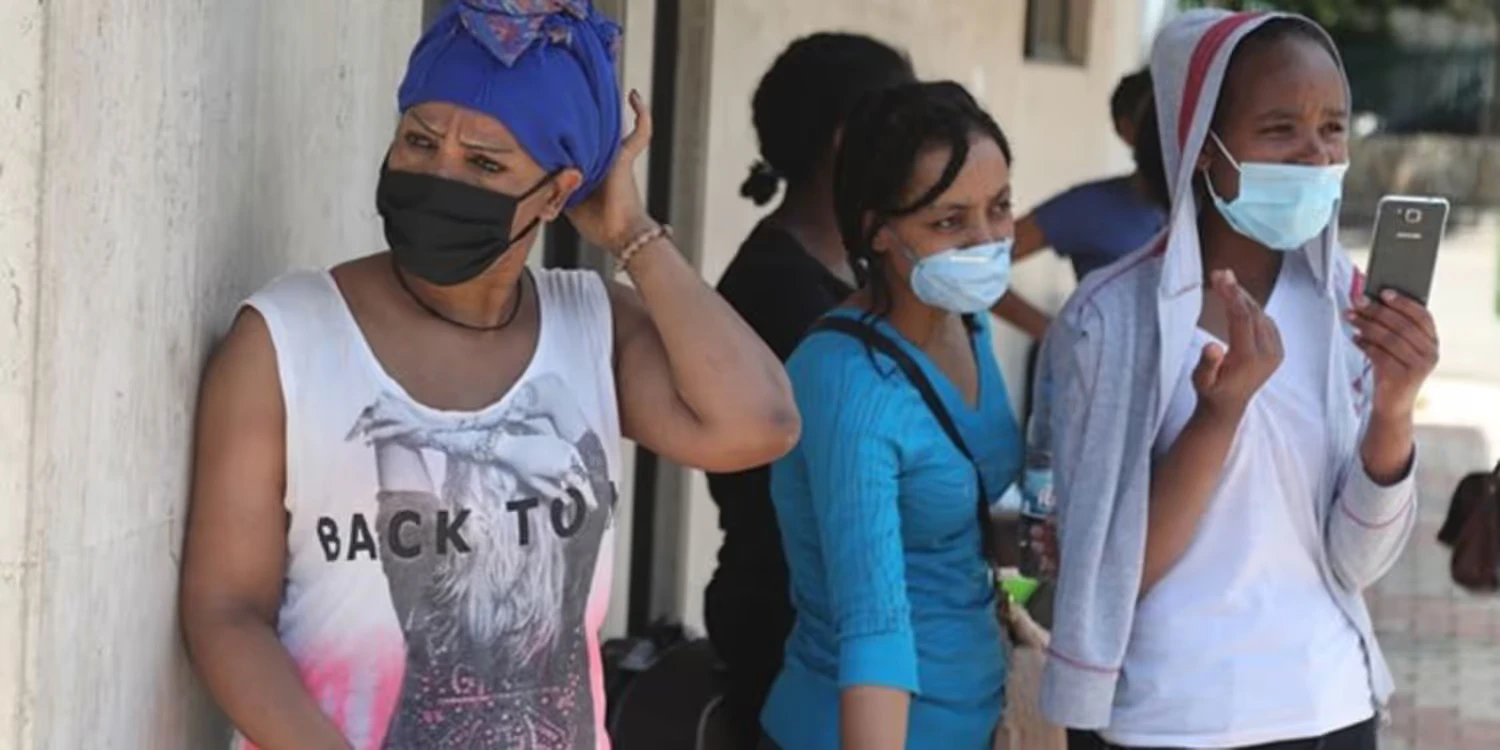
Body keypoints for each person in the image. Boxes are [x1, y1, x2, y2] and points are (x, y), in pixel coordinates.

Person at [178, 3, 798, 749]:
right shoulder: (287, 339)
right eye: (419, 140)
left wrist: (630, 234)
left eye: (485, 163)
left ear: (558, 191)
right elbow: (225, 610)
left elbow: (759, 423)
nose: (439, 173)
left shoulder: (591, 326)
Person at [1040, 10, 1438, 750]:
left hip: (1328, 706)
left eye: (1333, 128)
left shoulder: (1350, 307)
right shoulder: (1109, 322)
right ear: (1200, 145)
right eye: (1280, 129)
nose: (1315, 157)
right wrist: (1216, 418)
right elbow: (1107, 576)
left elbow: (1358, 563)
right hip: (1167, 720)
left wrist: (1394, 410)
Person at [761, 81, 1024, 750]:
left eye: (999, 209)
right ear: (878, 231)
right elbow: (872, 627)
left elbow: (978, 509)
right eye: (949, 222)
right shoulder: (846, 383)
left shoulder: (969, 323)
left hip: (978, 713)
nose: (986, 240)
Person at [704, 32, 917, 747]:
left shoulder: (856, 275)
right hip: (791, 620)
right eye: (902, 127)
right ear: (843, 141)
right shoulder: (779, 291)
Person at [991, 68, 1164, 342]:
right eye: (1155, 121)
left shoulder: (1211, 205)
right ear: (1126, 130)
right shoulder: (1091, 207)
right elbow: (982, 265)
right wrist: (1055, 335)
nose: (1168, 132)